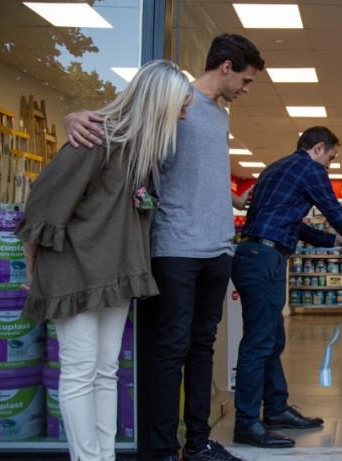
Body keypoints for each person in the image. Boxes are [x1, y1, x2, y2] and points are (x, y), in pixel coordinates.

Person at [64, 33, 265, 461]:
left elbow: (194, 170)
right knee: (169, 350)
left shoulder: (220, 116)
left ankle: (197, 442)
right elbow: (118, 122)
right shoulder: (175, 98)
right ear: (226, 67)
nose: (246, 90)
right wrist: (74, 116)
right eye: (245, 81)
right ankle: (159, 449)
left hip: (218, 248)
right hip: (174, 248)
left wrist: (230, 199)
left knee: (202, 347)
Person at [16, 60, 194, 461]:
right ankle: (87, 458)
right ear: (159, 104)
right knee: (80, 371)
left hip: (116, 274)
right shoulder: (95, 139)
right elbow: (42, 208)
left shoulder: (143, 155)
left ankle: (104, 455)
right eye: (181, 107)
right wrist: (32, 271)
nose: (185, 115)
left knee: (105, 371)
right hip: (74, 271)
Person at [232, 126, 342, 448]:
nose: (329, 165)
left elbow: (294, 225)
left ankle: (275, 409)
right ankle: (246, 423)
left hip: (257, 254)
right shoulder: (309, 168)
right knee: (258, 343)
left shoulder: (275, 168)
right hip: (264, 259)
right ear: (319, 148)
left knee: (271, 339)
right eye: (331, 158)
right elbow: (334, 210)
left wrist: (335, 241)